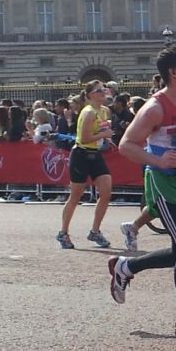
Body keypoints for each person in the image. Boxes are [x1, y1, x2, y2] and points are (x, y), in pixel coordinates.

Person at [107, 47, 176, 337]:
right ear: (173, 72)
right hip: (162, 181)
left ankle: (126, 266)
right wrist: (157, 160)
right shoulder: (155, 107)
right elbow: (126, 145)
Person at [58, 81, 115, 249]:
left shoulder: (104, 111)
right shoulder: (88, 112)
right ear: (90, 95)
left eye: (103, 90)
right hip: (81, 155)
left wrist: (108, 139)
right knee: (75, 196)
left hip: (95, 154)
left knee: (106, 193)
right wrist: (104, 134)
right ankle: (63, 233)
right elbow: (84, 138)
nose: (103, 93)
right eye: (99, 91)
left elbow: (102, 129)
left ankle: (95, 231)